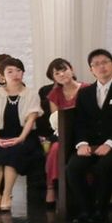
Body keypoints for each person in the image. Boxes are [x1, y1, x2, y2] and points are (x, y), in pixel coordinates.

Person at [66, 48, 112, 223]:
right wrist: (82, 143)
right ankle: (85, 209)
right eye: (96, 64)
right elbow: (80, 121)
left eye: (105, 62)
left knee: (104, 167)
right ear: (91, 70)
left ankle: (100, 210)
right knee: (73, 167)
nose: (101, 67)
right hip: (91, 143)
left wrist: (109, 144)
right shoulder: (84, 93)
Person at [0, 57, 43, 211]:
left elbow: (31, 120)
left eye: (18, 71)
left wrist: (21, 138)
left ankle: (7, 194)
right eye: (10, 71)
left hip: (26, 136)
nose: (15, 74)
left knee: (13, 151)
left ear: (23, 73)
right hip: (2, 135)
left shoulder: (31, 94)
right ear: (2, 75)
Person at [42, 58, 80, 207]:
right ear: (53, 78)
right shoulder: (54, 94)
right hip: (63, 133)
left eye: (64, 70)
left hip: (83, 134)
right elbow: (55, 120)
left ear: (72, 69)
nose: (62, 74)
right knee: (55, 148)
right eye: (57, 73)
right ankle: (51, 186)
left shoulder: (86, 89)